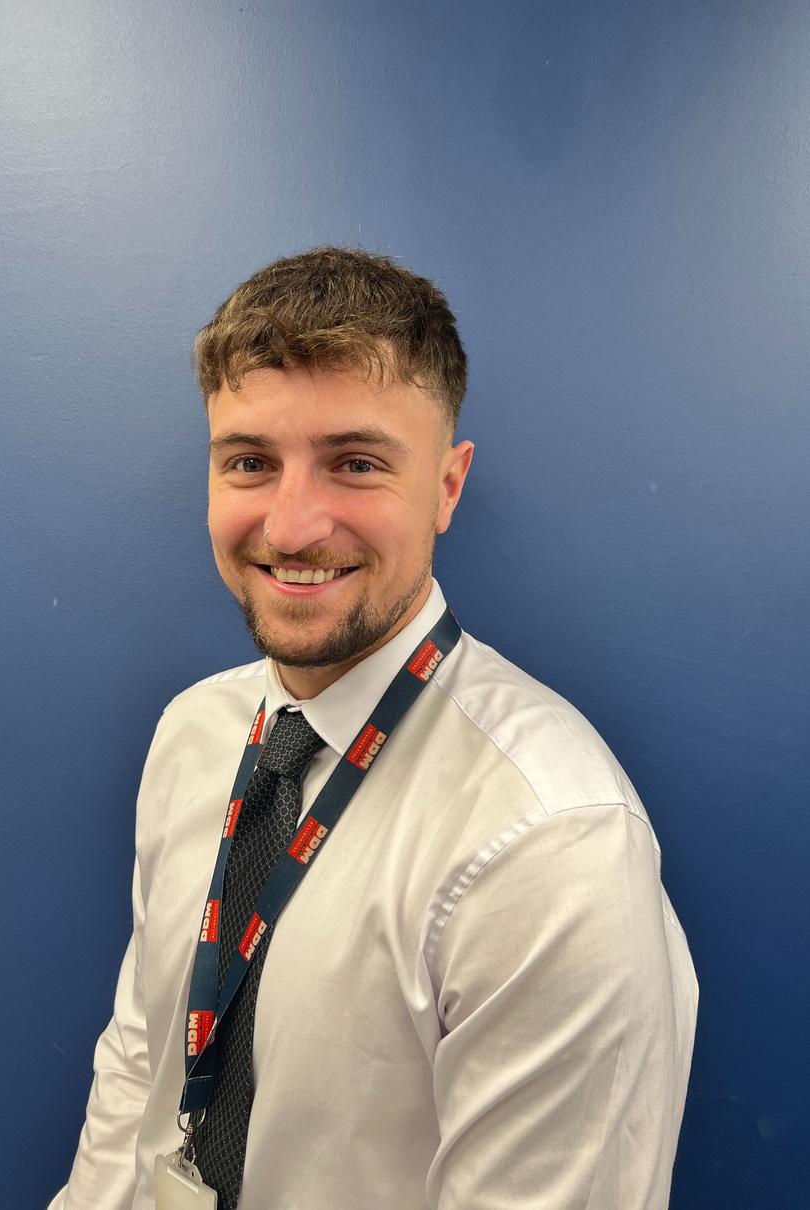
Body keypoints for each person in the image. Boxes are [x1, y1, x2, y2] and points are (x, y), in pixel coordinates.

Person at [50, 246, 698, 1210]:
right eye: (249, 463)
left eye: (355, 464)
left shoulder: (552, 841)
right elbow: (143, 1057)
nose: (292, 527)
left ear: (447, 486)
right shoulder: (194, 731)